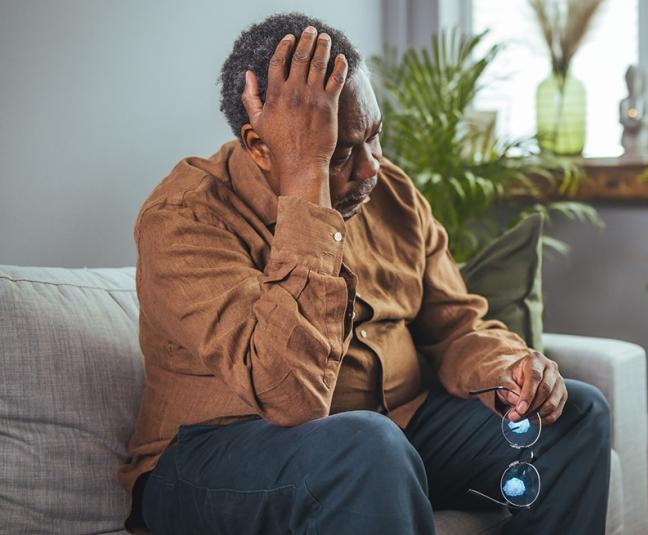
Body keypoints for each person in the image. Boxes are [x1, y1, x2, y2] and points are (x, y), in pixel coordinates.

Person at [117, 12, 611, 535]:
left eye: (373, 137)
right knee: (368, 446)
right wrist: (307, 185)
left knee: (577, 415)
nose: (371, 166)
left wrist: (509, 370)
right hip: (219, 454)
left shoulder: (389, 192)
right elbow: (291, 398)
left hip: (392, 433)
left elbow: (456, 328)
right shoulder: (185, 219)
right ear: (263, 146)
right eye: (340, 151)